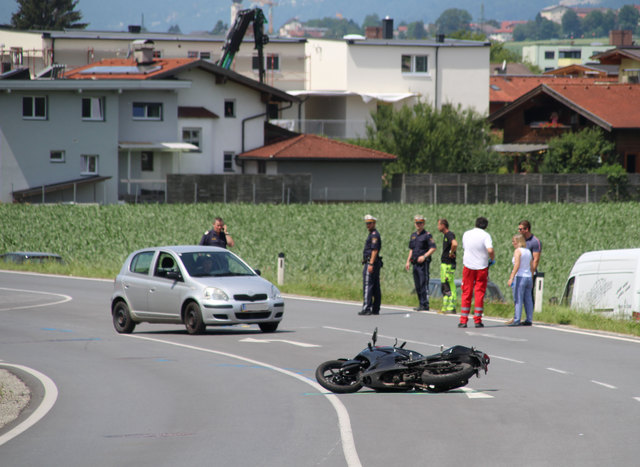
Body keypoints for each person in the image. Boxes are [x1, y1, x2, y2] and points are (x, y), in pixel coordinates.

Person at [459, 217, 495, 328]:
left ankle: (463, 320)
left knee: (466, 292)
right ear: (485, 226)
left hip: (468, 266)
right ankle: (477, 320)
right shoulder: (486, 235)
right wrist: (492, 259)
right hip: (482, 267)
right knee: (479, 293)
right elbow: (490, 250)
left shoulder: (467, 234)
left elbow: (465, 247)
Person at [405, 215, 436, 311]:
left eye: (420, 223)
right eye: (417, 223)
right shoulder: (413, 235)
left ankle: (425, 304)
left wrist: (424, 256)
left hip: (423, 264)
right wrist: (407, 261)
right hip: (415, 263)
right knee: (417, 284)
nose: (418, 225)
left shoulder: (427, 235)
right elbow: (411, 249)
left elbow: (433, 248)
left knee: (423, 283)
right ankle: (421, 303)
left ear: (423, 224)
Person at [506, 234, 534, 326]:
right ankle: (529, 319)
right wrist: (532, 277)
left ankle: (517, 319)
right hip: (528, 277)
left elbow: (517, 265)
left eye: (514, 241)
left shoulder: (518, 251)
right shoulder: (528, 251)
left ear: (518, 242)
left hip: (520, 277)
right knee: (528, 299)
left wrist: (511, 277)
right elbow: (531, 266)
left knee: (518, 298)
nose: (512, 243)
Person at [359, 214, 382, 316]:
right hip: (374, 263)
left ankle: (367, 307)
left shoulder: (374, 235)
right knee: (375, 286)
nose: (368, 225)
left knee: (368, 285)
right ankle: (375, 308)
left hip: (371, 262)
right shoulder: (373, 234)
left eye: (370, 223)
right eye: (367, 223)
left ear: (374, 223)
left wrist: (371, 263)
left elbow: (374, 250)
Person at [518, 220, 542, 302]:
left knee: (528, 293)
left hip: (529, 271)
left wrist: (531, 273)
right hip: (520, 270)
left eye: (521, 229)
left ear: (527, 229)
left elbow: (536, 259)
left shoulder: (535, 241)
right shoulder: (520, 240)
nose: (519, 231)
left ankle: (530, 312)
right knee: (519, 292)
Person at [437, 218, 458, 314]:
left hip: (449, 264)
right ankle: (445, 307)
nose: (438, 227)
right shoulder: (446, 235)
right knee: (444, 285)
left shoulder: (449, 234)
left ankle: (451, 306)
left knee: (449, 284)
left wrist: (451, 252)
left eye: (439, 225)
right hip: (445, 264)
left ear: (443, 225)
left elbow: (455, 244)